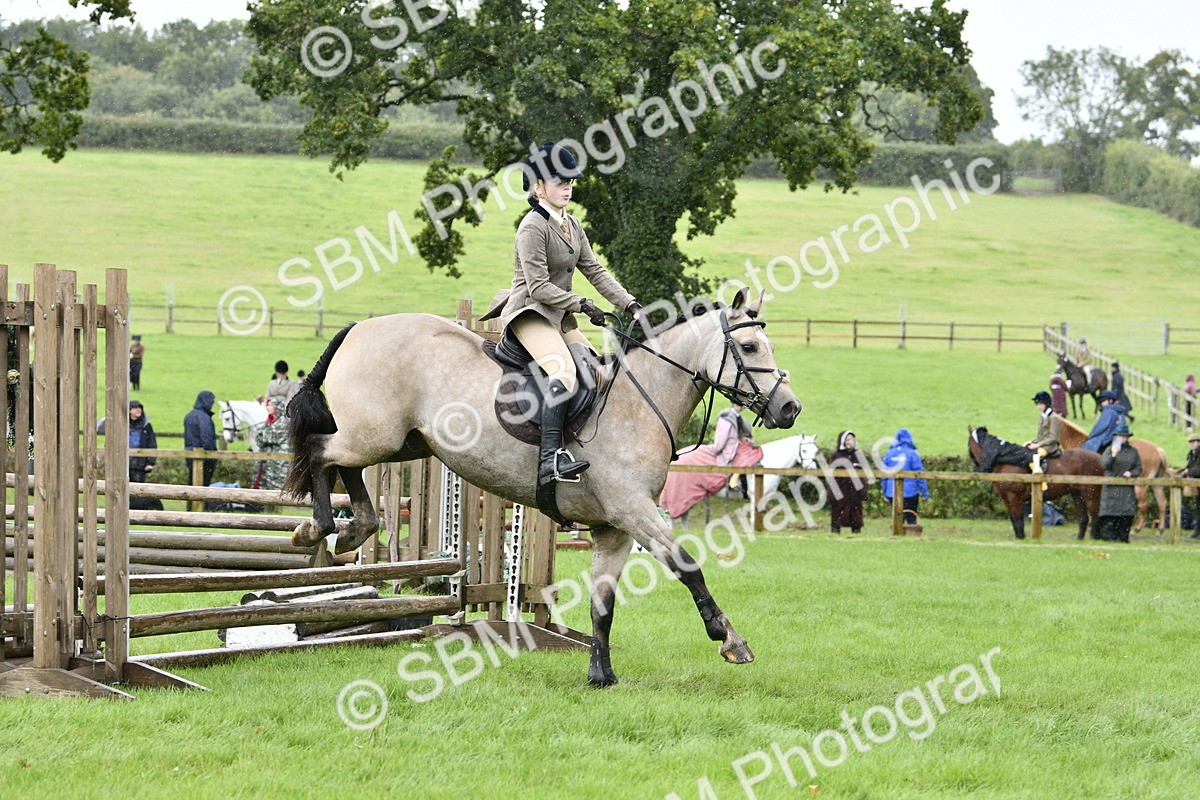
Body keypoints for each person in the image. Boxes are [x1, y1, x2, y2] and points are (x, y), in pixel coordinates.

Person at [478, 141, 640, 486]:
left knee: (595, 369)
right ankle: (549, 461)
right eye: (559, 181)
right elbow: (537, 288)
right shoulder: (532, 227)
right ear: (538, 187)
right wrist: (581, 304)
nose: (567, 187)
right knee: (564, 374)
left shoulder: (571, 224)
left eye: (570, 181)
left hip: (558, 316)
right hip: (530, 312)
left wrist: (630, 303)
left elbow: (595, 270)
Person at [1097, 424, 1141, 542]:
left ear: (1127, 437)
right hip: (1111, 488)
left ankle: (1123, 538)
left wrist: (1131, 473)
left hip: (1126, 489)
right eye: (1119, 436)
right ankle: (1109, 537)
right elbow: (1104, 465)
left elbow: (1138, 467)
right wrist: (1113, 454)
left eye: (1123, 436)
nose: (1121, 438)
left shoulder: (1133, 451)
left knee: (1126, 515)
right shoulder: (1109, 449)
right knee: (1110, 515)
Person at [881, 428, 930, 524]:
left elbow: (884, 475)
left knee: (897, 518)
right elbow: (919, 474)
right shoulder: (912, 454)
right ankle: (912, 535)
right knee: (911, 517)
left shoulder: (889, 454)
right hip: (911, 492)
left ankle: (897, 536)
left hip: (892, 492)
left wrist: (885, 492)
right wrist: (925, 492)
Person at [828, 430, 866, 534]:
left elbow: (863, 476)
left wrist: (863, 492)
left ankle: (856, 533)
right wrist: (832, 493)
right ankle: (835, 533)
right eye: (847, 439)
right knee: (837, 514)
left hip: (855, 492)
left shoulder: (858, 455)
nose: (850, 442)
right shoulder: (836, 456)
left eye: (852, 439)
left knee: (856, 514)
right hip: (840, 492)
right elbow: (830, 476)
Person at [252, 397, 290, 491]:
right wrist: (260, 434)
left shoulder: (283, 423)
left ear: (277, 407)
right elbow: (259, 439)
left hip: (281, 462)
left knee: (278, 488)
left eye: (270, 405)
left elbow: (266, 437)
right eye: (267, 405)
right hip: (269, 462)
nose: (268, 408)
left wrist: (260, 434)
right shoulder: (268, 422)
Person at [183, 390, 218, 486]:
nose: (212, 405)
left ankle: (192, 501)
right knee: (203, 485)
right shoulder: (204, 418)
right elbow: (207, 439)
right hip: (204, 458)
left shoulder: (189, 416)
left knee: (192, 484)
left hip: (190, 455)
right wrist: (212, 457)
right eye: (211, 402)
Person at [1025, 391, 1063, 475]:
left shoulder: (1054, 418)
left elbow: (1052, 437)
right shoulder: (1042, 416)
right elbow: (1041, 436)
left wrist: (1037, 445)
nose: (1039, 407)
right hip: (1042, 444)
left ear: (1047, 404)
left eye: (1041, 404)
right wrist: (1032, 442)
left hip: (1050, 447)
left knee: (1033, 456)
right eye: (1037, 404)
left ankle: (1042, 484)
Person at [1186, 433, 1200, 539]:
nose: (1191, 444)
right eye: (1191, 442)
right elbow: (1189, 466)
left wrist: (1189, 471)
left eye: (1193, 442)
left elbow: (1197, 469)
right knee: (1198, 508)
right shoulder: (1191, 453)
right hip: (1197, 486)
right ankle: (1197, 531)